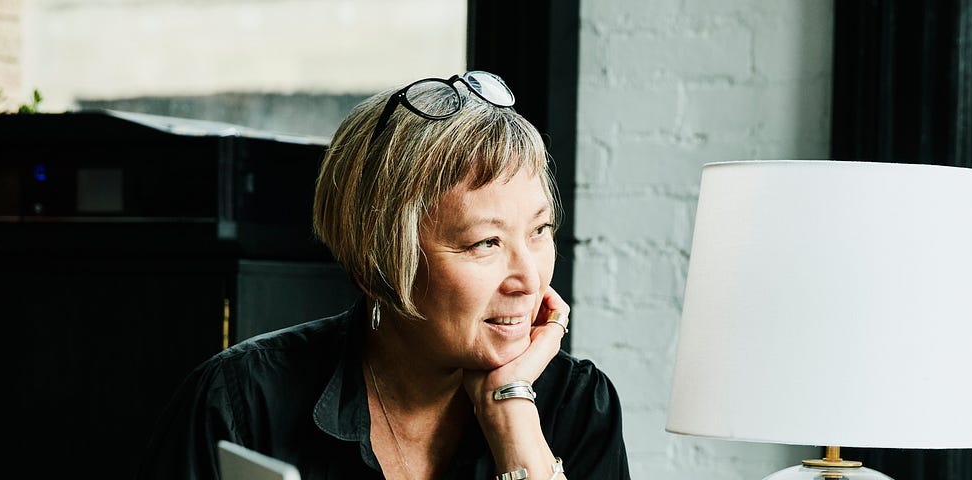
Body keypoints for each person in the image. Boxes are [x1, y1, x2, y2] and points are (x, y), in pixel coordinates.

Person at [138, 71, 631, 480]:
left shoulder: (578, 406)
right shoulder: (240, 402)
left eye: (540, 230)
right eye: (486, 242)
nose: (528, 277)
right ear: (382, 260)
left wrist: (513, 416)